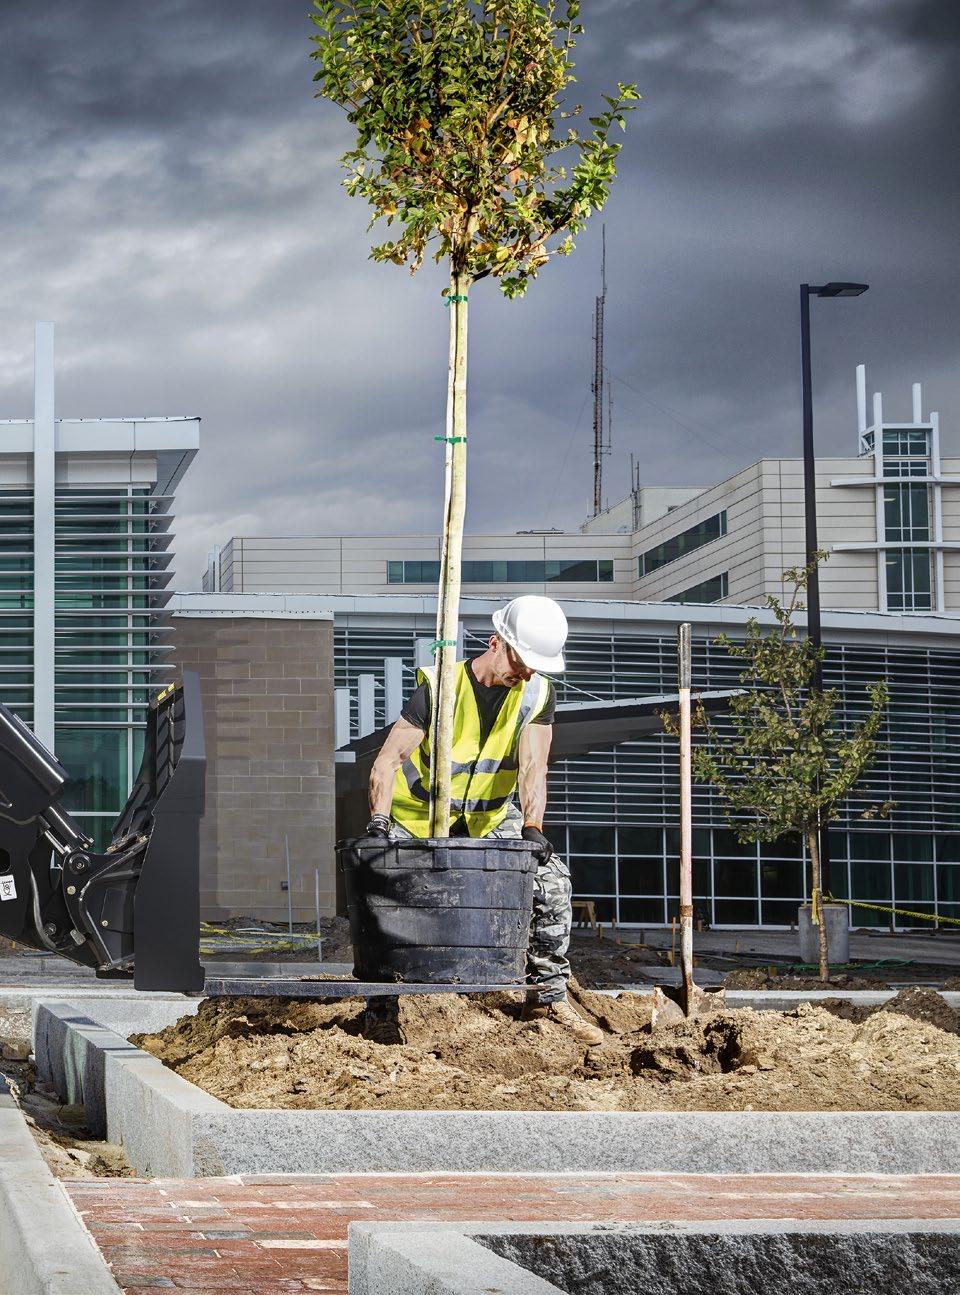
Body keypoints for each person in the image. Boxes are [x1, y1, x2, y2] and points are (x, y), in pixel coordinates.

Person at [362, 594, 603, 1047]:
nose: (526, 673)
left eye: (534, 666)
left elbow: (534, 767)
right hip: (416, 817)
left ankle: (547, 999)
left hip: (488, 818)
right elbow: (388, 762)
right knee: (383, 892)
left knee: (552, 883)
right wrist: (379, 822)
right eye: (521, 661)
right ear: (495, 643)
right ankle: (381, 1011)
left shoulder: (536, 693)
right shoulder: (439, 687)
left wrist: (533, 827)